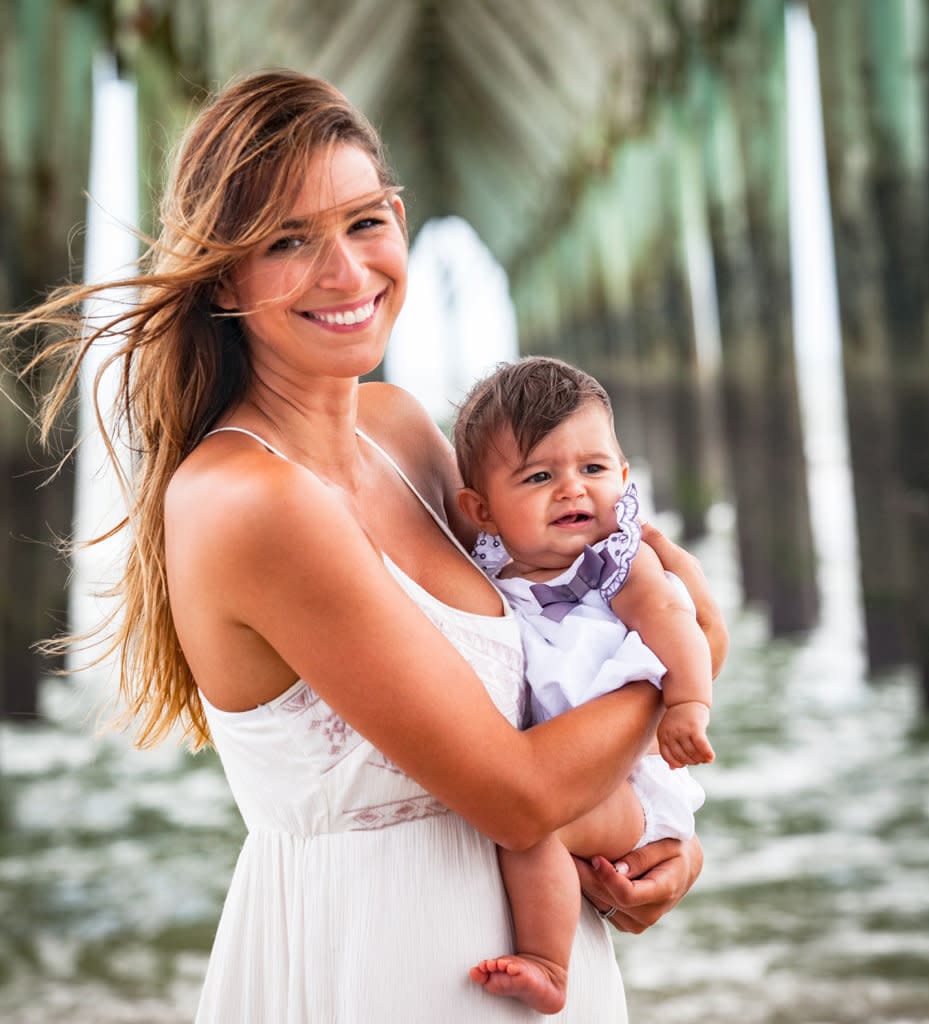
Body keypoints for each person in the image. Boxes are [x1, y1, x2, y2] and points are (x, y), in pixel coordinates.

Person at [4, 70, 727, 1022]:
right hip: (381, 967)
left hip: (539, 958)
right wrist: (678, 667)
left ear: (398, 214)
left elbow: (567, 636)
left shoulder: (401, 432)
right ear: (225, 274)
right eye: (288, 243)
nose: (345, 274)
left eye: (363, 223)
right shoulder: (251, 499)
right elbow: (517, 796)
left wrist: (663, 843)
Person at [453, 356, 715, 1012]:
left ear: (623, 477)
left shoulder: (616, 565)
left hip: (627, 782)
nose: (573, 490)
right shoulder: (488, 571)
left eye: (592, 470)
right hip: (575, 765)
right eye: (540, 476)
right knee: (534, 826)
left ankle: (549, 960)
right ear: (480, 509)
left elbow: (675, 622)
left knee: (536, 830)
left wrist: (687, 703)